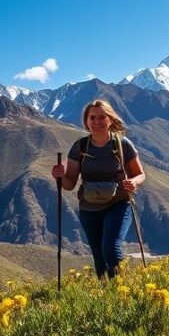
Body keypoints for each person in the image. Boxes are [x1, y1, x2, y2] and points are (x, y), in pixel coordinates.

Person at [51, 99, 146, 280]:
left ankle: (122, 288)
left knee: (111, 248)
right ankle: (106, 291)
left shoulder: (122, 144)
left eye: (102, 117)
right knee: (99, 256)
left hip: (119, 203)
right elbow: (69, 184)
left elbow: (140, 174)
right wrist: (60, 176)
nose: (97, 121)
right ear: (86, 121)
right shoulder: (80, 147)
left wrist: (134, 182)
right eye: (92, 117)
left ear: (110, 119)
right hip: (89, 208)